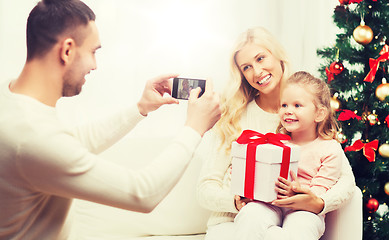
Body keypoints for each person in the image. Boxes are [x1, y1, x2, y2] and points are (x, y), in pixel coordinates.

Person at [0, 0, 220, 239]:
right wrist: (195, 128)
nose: (94, 65)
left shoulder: (12, 99)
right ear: (67, 50)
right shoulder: (32, 138)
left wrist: (140, 108)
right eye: (93, 52)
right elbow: (143, 193)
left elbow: (74, 141)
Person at [196, 27, 355, 240]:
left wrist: (319, 203)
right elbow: (205, 187)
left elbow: (346, 180)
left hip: (294, 216)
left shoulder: (307, 113)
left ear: (278, 57)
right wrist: (236, 201)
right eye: (247, 67)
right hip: (232, 220)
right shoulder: (233, 117)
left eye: (261, 58)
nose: (257, 71)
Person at [233, 71, 343, 240]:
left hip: (305, 210)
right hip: (271, 204)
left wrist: (300, 194)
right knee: (249, 214)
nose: (288, 111)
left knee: (302, 227)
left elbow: (320, 192)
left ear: (319, 114)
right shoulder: (275, 143)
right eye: (284, 105)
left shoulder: (329, 149)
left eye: (297, 105)